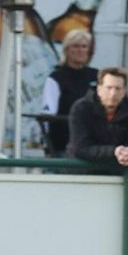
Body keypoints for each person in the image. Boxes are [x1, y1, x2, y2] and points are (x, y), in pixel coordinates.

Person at [67, 67, 128, 255]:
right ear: (98, 88)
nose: (113, 93)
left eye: (118, 88)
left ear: (124, 91)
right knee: (84, 241)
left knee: (114, 242)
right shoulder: (81, 108)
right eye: (108, 87)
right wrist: (115, 151)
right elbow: (80, 147)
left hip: (117, 187)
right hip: (85, 186)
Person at [42, 29, 98, 158]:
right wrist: (46, 143)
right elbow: (48, 113)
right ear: (67, 50)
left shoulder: (96, 76)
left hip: (92, 145)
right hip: (63, 144)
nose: (80, 50)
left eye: (84, 46)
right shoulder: (56, 78)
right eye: (76, 46)